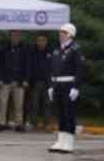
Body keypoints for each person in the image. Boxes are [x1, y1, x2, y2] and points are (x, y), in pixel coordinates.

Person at [47, 23, 85, 154]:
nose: (60, 35)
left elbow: (80, 70)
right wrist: (51, 86)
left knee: (69, 114)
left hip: (69, 85)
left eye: (63, 33)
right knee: (60, 113)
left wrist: (76, 87)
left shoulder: (76, 50)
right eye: (60, 32)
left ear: (70, 35)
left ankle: (69, 141)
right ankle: (61, 140)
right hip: (57, 85)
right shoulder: (57, 50)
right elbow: (52, 69)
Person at [0, 31, 29, 132]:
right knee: (2, 103)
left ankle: (19, 124)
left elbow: (27, 65)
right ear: (10, 37)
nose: (15, 38)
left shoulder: (24, 49)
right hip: (5, 80)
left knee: (19, 104)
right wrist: (0, 79)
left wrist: (26, 79)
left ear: (20, 37)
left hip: (19, 81)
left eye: (17, 36)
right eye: (13, 36)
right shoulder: (4, 48)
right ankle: (1, 123)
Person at [25, 33, 51, 131]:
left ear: (46, 42)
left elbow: (53, 67)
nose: (41, 42)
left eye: (43, 40)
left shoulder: (50, 52)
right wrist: (27, 80)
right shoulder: (32, 52)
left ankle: (47, 124)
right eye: (39, 40)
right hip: (34, 82)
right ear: (36, 41)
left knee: (47, 104)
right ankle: (33, 123)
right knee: (34, 104)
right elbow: (28, 67)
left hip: (47, 82)